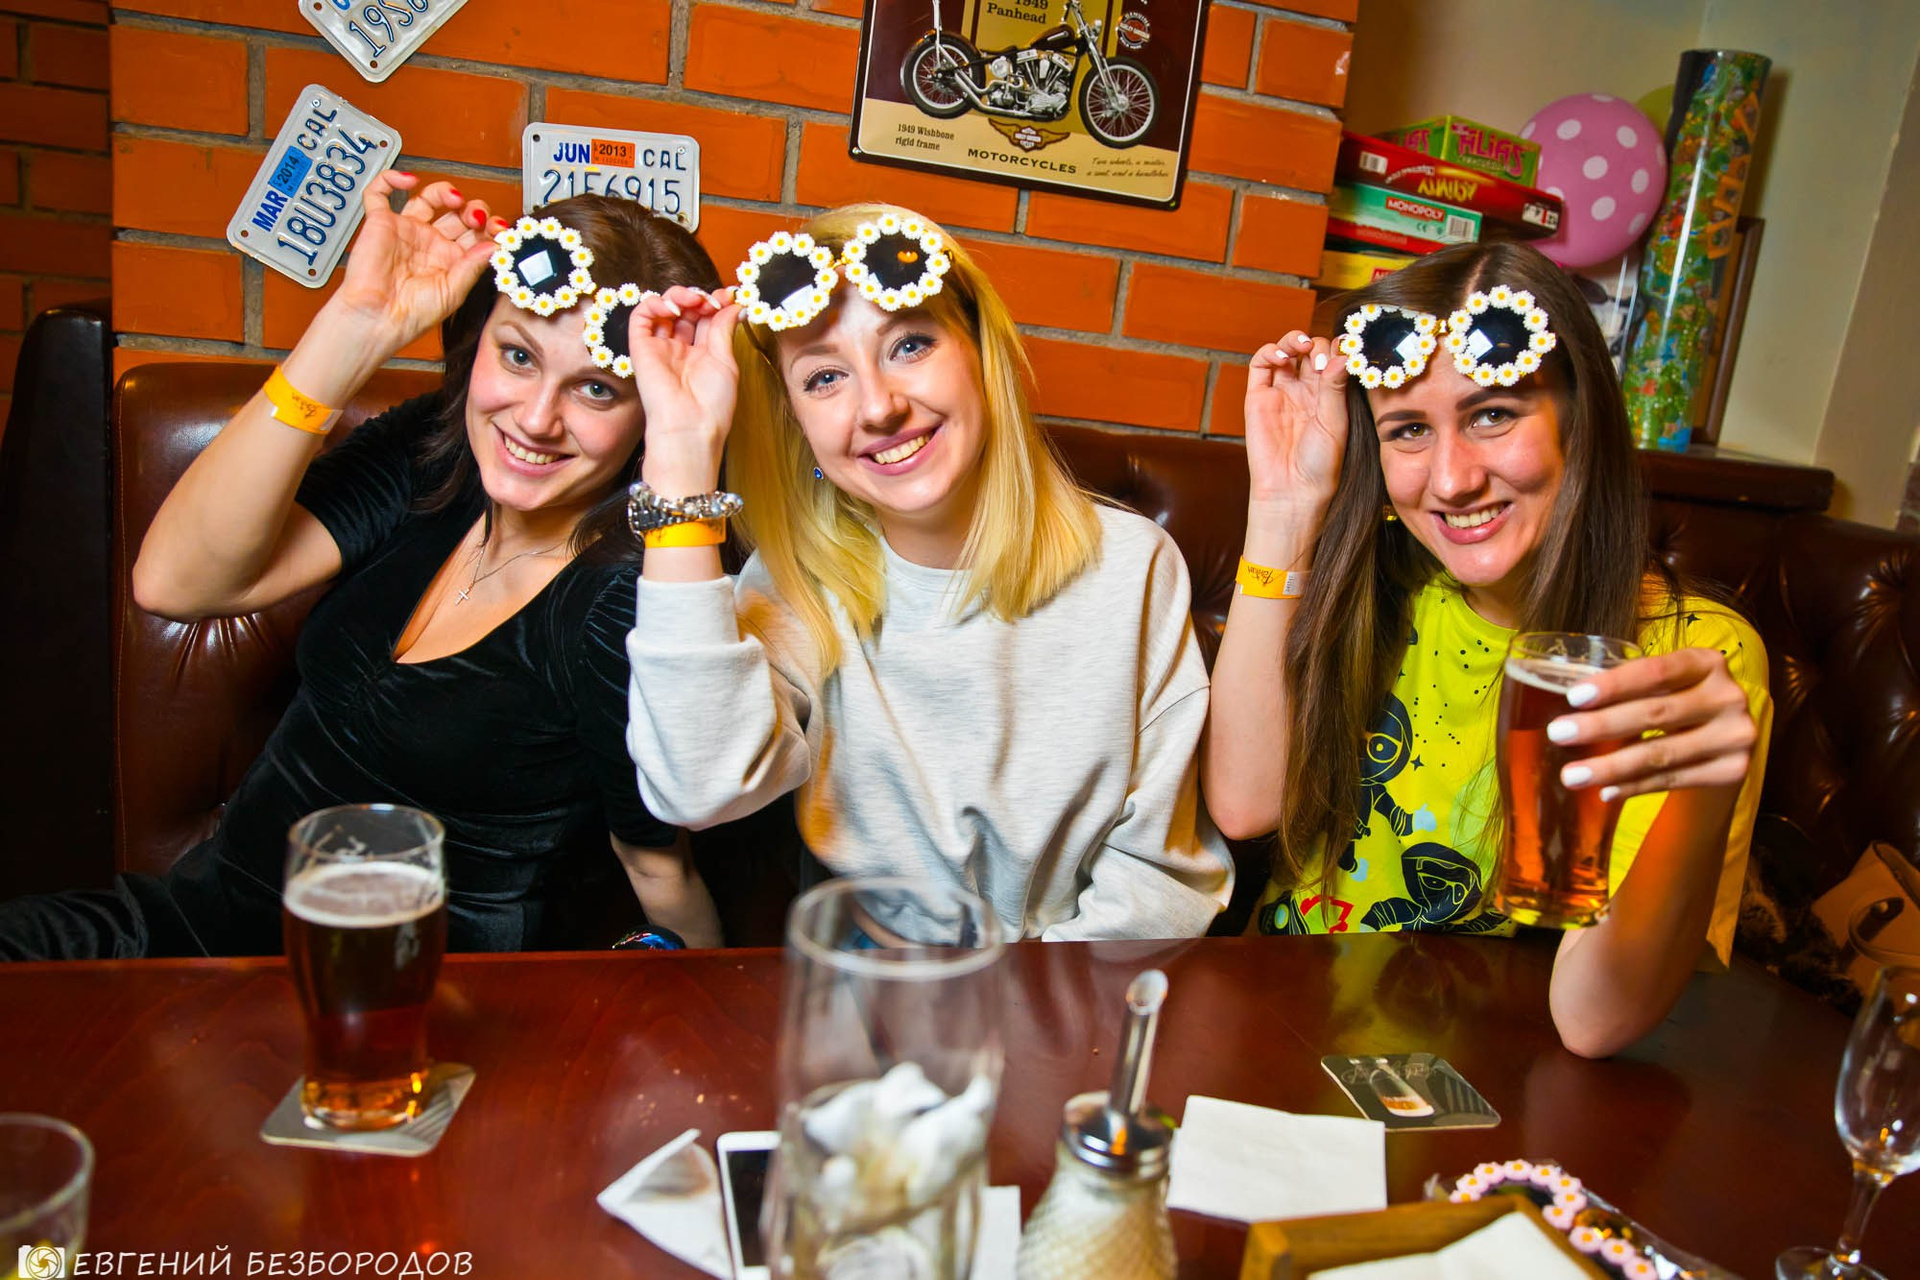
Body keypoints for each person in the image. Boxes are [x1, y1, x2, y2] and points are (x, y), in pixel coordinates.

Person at [0, 182, 724, 959]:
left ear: (652, 413)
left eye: (596, 389)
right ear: (477, 339)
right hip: (197, 928)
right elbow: (175, 583)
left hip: (408, 987)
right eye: (518, 356)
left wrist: (709, 1016)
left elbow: (657, 866)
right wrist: (355, 322)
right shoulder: (434, 454)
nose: (537, 418)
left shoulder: (628, 597)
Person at [1203, 241, 1770, 1057]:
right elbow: (1245, 805)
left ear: (1580, 420)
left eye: (1492, 415)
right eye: (1408, 430)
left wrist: (1703, 794)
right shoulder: (1374, 581)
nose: (1452, 479)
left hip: (1483, 1068)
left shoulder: (1689, 662)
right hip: (1279, 1021)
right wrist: (1285, 508)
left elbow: (1594, 1021)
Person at [620, 204, 1232, 939]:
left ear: (979, 350)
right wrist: (682, 452)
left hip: (1072, 979)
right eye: (824, 378)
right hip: (872, 976)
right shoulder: (795, 583)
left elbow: (1159, 880)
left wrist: (1026, 1000)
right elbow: (699, 787)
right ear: (797, 424)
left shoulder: (1133, 566)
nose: (879, 406)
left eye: (909, 344)